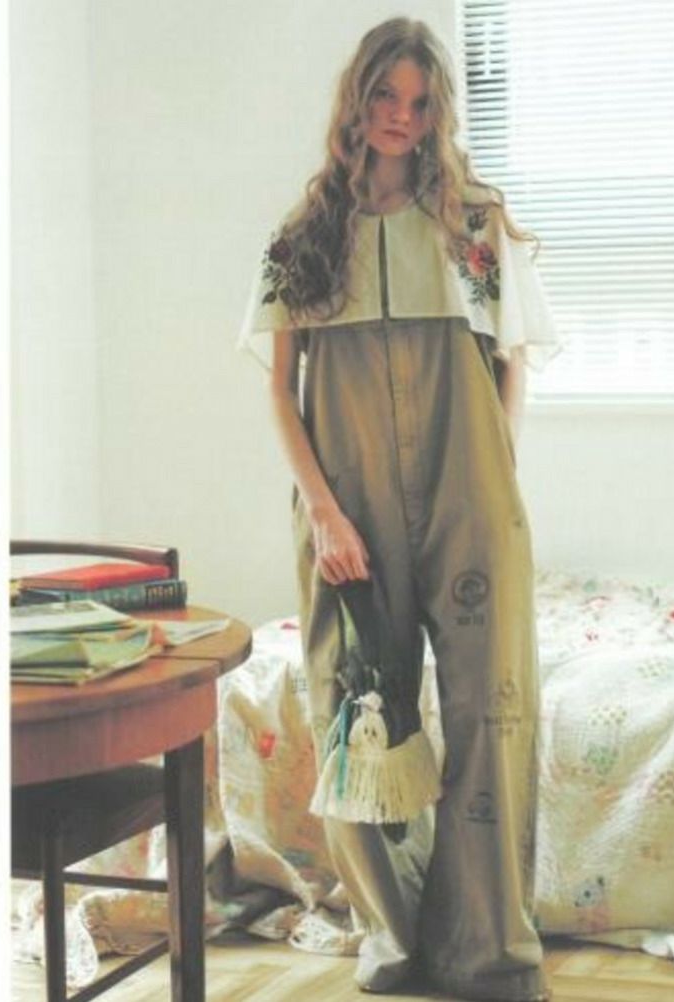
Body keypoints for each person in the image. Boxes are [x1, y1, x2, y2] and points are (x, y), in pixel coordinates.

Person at [237, 16, 562, 1002]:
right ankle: (393, 938)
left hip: (471, 495)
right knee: (357, 715)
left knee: (490, 712)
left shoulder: (475, 225)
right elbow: (280, 393)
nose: (402, 118)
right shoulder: (307, 237)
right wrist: (325, 514)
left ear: (437, 114)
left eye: (420, 104)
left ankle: (487, 949)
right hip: (349, 506)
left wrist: (496, 472)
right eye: (387, 96)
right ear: (358, 98)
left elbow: (511, 364)